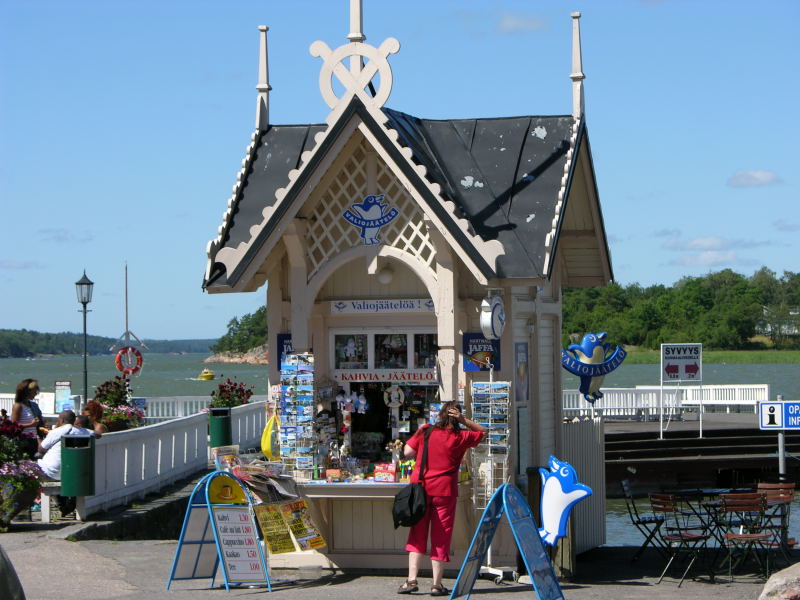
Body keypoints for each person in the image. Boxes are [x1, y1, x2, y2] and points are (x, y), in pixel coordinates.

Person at [398, 401, 486, 596]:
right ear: (456, 418)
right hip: (445, 492)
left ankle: (411, 580)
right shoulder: (461, 436)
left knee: (417, 534)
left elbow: (407, 452)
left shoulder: (425, 431)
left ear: (440, 415)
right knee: (441, 537)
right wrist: (464, 421)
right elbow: (482, 432)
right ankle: (436, 585)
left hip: (421, 490)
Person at [11, 379, 44, 458]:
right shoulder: (18, 406)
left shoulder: (32, 405)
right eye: (35, 391)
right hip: (23, 441)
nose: (36, 393)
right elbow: (13, 426)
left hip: (33, 440)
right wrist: (31, 424)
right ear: (27, 391)